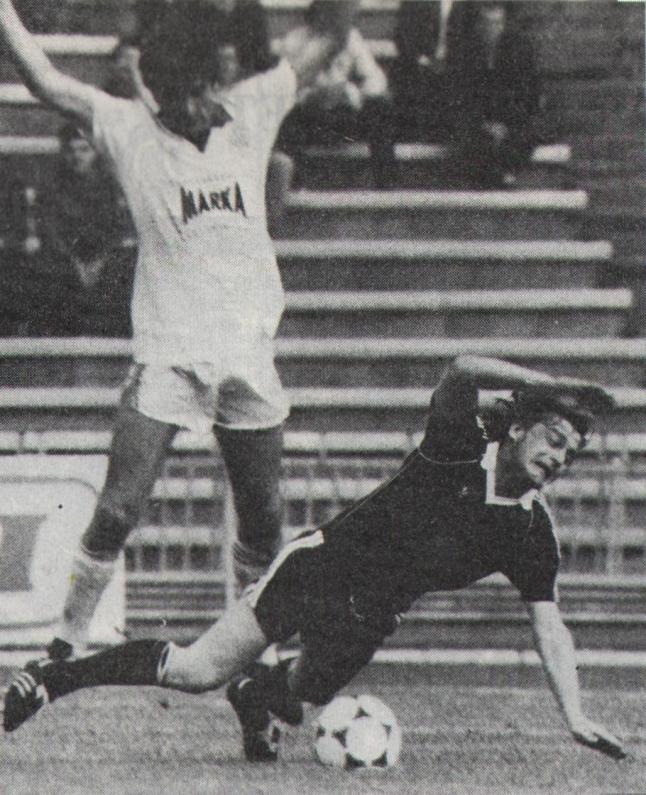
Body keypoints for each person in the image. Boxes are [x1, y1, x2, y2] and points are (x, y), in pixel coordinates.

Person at [3, 356, 627, 766]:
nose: (558, 458)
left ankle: (255, 696)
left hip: (371, 615)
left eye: (569, 454)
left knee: (298, 700)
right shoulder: (460, 447)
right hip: (320, 570)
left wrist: (574, 715)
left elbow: (550, 626)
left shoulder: (530, 532)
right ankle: (51, 679)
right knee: (196, 671)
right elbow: (462, 369)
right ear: (517, 429)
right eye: (552, 438)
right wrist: (549, 384)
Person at [0, 0, 358, 658]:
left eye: (202, 90)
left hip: (246, 352)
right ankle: (64, 644)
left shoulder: (252, 109)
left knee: (264, 517)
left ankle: (254, 653)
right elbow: (43, 81)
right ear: (156, 93)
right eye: (178, 98)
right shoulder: (126, 128)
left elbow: (328, 35)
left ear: (216, 80)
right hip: (168, 353)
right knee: (117, 508)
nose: (195, 106)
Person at [276, 0, 395, 188]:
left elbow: (375, 79)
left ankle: (386, 185)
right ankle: (295, 186)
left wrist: (352, 93)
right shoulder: (295, 41)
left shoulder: (351, 38)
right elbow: (284, 88)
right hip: (310, 119)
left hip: (343, 117)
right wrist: (311, 96)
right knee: (287, 116)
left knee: (380, 105)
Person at [36, 123, 132, 336]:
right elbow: (50, 228)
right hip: (68, 261)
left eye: (84, 150)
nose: (77, 156)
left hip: (105, 260)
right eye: (71, 151)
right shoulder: (53, 188)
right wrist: (74, 262)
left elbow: (119, 229)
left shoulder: (112, 187)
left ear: (96, 153)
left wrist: (100, 262)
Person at [447, 1, 542, 186]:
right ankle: (489, 177)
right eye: (487, 24)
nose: (492, 29)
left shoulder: (518, 52)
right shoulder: (466, 54)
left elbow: (526, 95)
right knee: (472, 138)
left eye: (497, 23)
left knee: (523, 134)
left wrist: (504, 124)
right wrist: (484, 124)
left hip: (509, 122)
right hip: (478, 123)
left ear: (503, 25)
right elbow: (462, 96)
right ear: (478, 26)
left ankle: (504, 173)